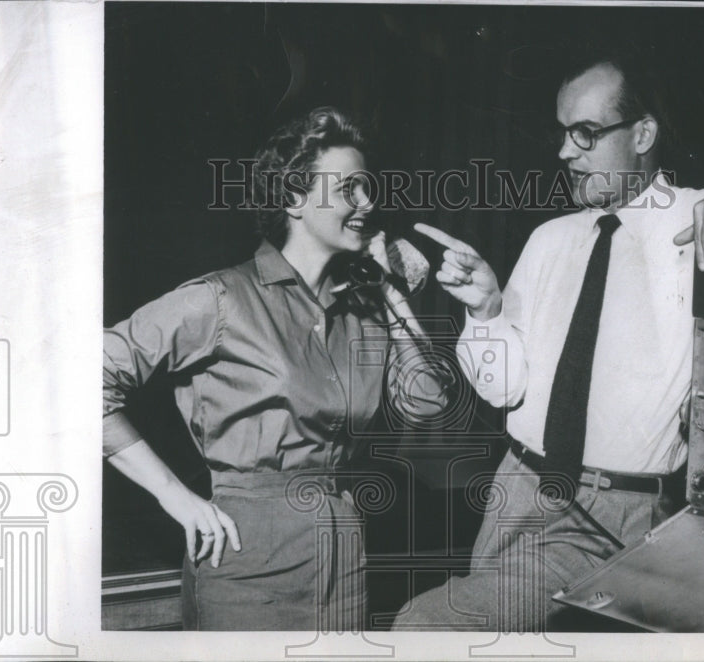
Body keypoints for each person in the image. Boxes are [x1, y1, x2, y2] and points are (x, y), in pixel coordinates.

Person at [392, 50, 704, 630]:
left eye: (586, 134)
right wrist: (486, 312)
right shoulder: (549, 238)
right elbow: (502, 389)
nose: (566, 152)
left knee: (430, 624)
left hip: (611, 513)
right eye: (564, 134)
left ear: (643, 134)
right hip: (514, 489)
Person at [103, 107, 449, 630]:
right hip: (246, 558)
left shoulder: (364, 308)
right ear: (293, 197)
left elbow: (428, 404)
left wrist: (393, 296)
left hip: (345, 555)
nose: (368, 203)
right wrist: (174, 495)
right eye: (350, 188)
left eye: (368, 188)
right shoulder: (221, 299)